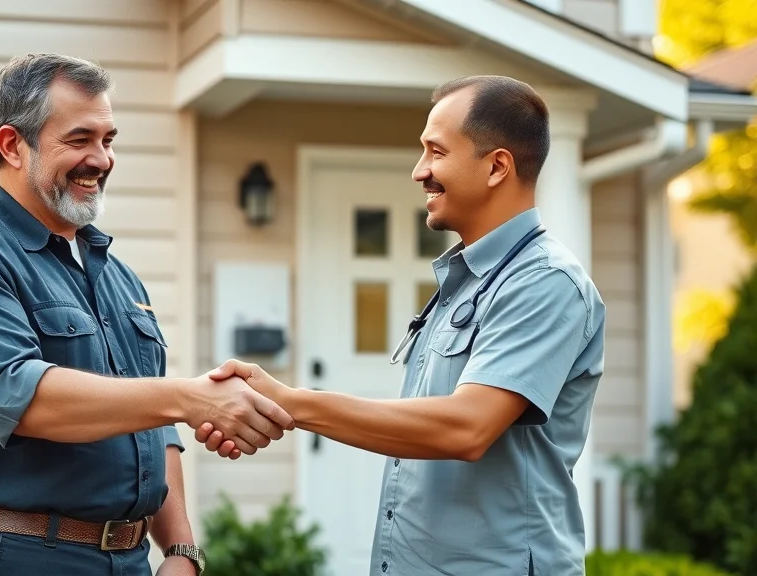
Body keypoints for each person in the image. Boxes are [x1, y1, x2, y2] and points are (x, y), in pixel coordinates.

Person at [0, 53, 293, 576]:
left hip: (130, 560)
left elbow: (153, 420)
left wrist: (181, 551)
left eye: (108, 140)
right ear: (13, 145)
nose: (102, 159)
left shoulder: (118, 276)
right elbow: (28, 400)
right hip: (15, 559)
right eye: (80, 140)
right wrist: (190, 397)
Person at [202, 75, 606, 575]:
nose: (420, 172)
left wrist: (291, 403)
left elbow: (467, 428)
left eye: (436, 152)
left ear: (497, 166)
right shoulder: (464, 282)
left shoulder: (545, 284)